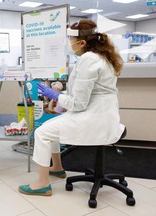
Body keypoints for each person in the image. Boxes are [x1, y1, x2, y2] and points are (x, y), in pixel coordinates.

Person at [19, 19, 124, 196]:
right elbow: (84, 91)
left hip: (95, 118)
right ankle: (57, 168)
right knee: (48, 129)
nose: (69, 44)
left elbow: (78, 103)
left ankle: (42, 184)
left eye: (70, 40)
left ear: (82, 43)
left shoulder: (88, 59)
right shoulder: (101, 57)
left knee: (42, 133)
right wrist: (61, 93)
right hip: (101, 113)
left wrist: (54, 95)